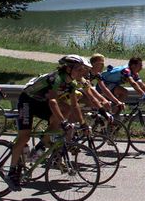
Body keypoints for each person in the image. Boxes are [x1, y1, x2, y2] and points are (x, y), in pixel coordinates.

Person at [7, 55, 91, 191]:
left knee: (67, 108)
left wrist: (83, 124)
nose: (82, 73)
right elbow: (52, 101)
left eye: (83, 70)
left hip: (41, 103)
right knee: (24, 137)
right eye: (79, 70)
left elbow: (75, 106)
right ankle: (11, 173)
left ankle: (44, 141)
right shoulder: (56, 78)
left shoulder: (72, 83)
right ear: (68, 69)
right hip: (28, 101)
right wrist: (64, 122)